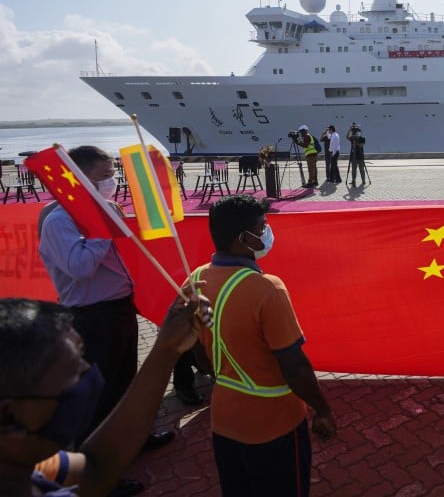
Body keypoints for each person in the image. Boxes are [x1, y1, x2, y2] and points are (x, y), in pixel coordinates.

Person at [188, 194, 337, 497]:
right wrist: (322, 409)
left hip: (224, 421)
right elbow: (294, 367)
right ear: (245, 238)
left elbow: (200, 357)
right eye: (262, 226)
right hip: (274, 425)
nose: (267, 232)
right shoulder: (267, 288)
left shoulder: (196, 280)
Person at [37, 146, 175, 460]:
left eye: (113, 175)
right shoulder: (60, 220)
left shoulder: (105, 207)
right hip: (92, 315)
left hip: (120, 306)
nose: (111, 183)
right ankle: (98, 466)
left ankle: (133, 438)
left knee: (126, 382)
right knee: (99, 392)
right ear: (79, 179)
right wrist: (104, 227)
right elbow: (80, 268)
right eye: (104, 176)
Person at [0, 294, 210, 497]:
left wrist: (167, 349)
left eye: (83, 360)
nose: (88, 381)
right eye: (72, 378)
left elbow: (96, 468)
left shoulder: (33, 466)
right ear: (8, 417)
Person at [345, 123, 367, 187]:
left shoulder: (362, 138)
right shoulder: (352, 138)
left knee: (361, 169)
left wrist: (355, 142)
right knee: (353, 170)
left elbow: (361, 145)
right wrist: (349, 129)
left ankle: (363, 180)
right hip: (353, 157)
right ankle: (353, 181)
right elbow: (346, 136)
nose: (355, 133)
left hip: (360, 156)